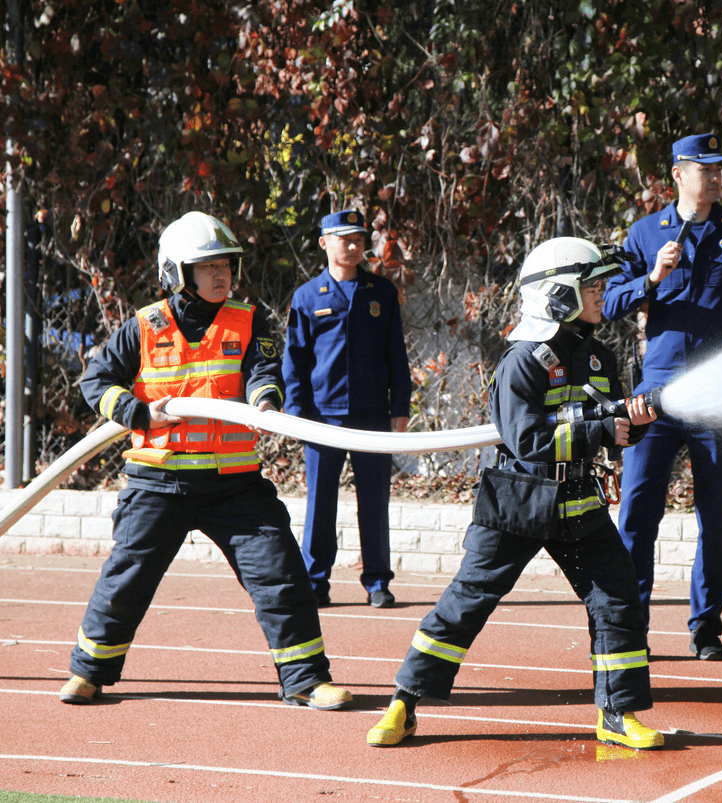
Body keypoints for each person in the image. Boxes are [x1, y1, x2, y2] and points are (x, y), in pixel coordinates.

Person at [368, 237, 665, 751]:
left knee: (618, 600)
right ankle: (404, 702)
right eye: (591, 286)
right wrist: (599, 429)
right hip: (518, 502)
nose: (602, 293)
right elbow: (526, 440)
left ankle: (616, 714)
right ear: (557, 295)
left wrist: (631, 424)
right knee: (466, 602)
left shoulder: (597, 355)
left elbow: (606, 424)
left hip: (579, 504)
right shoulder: (521, 361)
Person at [58, 211, 352, 711]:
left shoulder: (249, 319)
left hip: (235, 485)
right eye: (208, 266)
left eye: (227, 265)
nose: (222, 275)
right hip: (158, 482)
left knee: (282, 576)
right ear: (177, 272)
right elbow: (95, 382)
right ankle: (89, 673)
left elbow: (262, 369)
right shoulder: (145, 325)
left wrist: (264, 402)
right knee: (125, 581)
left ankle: (304, 679)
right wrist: (136, 412)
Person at [602, 133, 722, 660]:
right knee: (636, 515)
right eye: (706, 168)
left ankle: (706, 628)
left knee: (715, 516)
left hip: (716, 400)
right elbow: (607, 302)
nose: (717, 177)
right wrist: (652, 277)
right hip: (653, 400)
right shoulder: (644, 232)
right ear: (678, 174)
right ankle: (632, 627)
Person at [282, 210, 412, 609]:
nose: (355, 247)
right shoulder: (307, 297)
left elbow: (397, 355)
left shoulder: (382, 292)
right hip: (324, 417)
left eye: (359, 240)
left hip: (372, 416)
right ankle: (315, 581)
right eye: (346, 240)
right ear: (325, 243)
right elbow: (295, 360)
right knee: (321, 502)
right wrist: (295, 411)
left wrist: (400, 407)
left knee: (374, 501)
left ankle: (377, 581)